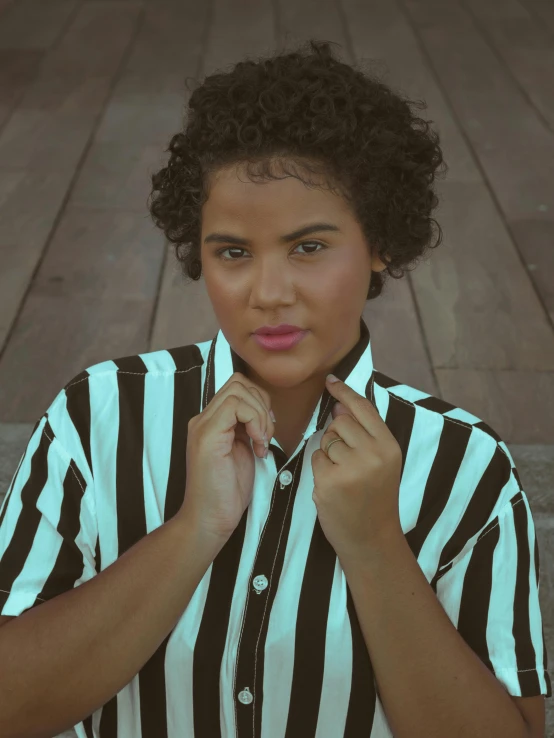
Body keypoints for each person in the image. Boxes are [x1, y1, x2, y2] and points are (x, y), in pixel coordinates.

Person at [0, 39, 549, 738]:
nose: (269, 293)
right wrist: (192, 532)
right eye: (233, 252)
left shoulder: (466, 468)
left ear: (379, 241)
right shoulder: (99, 417)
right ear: (196, 251)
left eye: (309, 247)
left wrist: (378, 546)